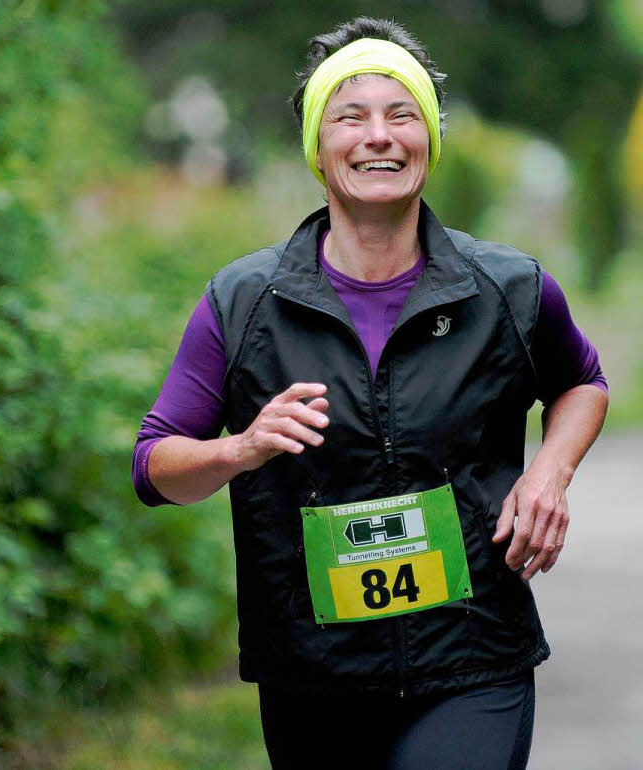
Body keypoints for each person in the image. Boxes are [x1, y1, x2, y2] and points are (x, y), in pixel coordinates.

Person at [131, 16, 608, 770]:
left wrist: (549, 473)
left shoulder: (508, 288)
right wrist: (242, 446)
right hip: (312, 674)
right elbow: (155, 466)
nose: (378, 136)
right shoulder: (244, 301)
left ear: (429, 142)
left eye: (402, 114)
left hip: (473, 656)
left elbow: (581, 382)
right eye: (350, 117)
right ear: (319, 151)